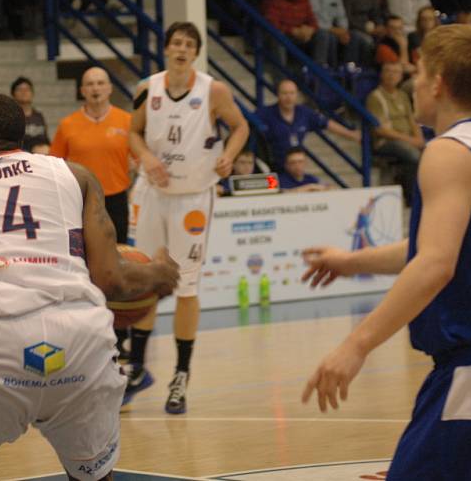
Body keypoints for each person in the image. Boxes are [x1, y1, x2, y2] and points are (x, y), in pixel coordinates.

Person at [301, 23, 471, 480]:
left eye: (419, 70)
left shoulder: (447, 152)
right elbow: (443, 245)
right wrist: (351, 262)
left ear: (439, 81)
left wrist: (356, 344)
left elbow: (435, 262)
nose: (413, 81)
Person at [0, 94, 180, 480]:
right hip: (80, 340)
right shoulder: (76, 176)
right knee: (94, 476)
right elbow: (112, 279)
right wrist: (158, 274)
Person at [126, 21, 250, 414]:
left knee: (187, 286)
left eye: (188, 44)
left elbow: (241, 126)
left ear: (195, 52)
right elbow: (133, 132)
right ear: (165, 49)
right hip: (151, 193)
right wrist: (145, 156)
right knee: (144, 279)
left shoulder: (213, 90)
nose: (181, 49)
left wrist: (229, 153)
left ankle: (180, 374)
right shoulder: (148, 87)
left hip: (193, 198)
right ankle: (137, 367)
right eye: (175, 42)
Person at [51, 67, 132, 244]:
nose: (95, 88)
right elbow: (56, 164)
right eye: (90, 84)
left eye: (100, 83)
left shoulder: (126, 121)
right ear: (82, 91)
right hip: (82, 199)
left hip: (117, 198)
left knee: (121, 252)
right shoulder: (67, 125)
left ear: (110, 88)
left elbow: (139, 158)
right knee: (86, 252)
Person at [256, 78, 360, 169]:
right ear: (278, 95)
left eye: (292, 93)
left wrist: (350, 134)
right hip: (272, 166)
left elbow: (327, 123)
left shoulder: (304, 112)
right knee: (274, 188)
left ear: (297, 95)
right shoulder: (265, 114)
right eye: (284, 93)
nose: (288, 97)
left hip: (295, 167)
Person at [365, 62, 424, 199]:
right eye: (388, 71)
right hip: (386, 142)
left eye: (396, 72)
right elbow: (381, 130)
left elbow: (412, 120)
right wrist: (411, 140)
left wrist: (419, 138)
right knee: (413, 155)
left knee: (433, 151)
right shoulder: (375, 97)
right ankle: (412, 200)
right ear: (382, 75)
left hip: (408, 140)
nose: (392, 75)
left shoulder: (403, 96)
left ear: (401, 76)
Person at [262, 0, 331, 68]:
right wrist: (292, 31)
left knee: (323, 34)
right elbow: (271, 24)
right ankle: (281, 79)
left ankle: (319, 73)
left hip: (299, 36)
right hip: (282, 36)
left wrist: (309, 30)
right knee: (278, 37)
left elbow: (313, 22)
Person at [306, 0, 357, 65]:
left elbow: (341, 16)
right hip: (313, 32)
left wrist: (343, 30)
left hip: (332, 31)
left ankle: (348, 72)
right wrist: (332, 29)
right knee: (326, 36)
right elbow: (311, 20)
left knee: (354, 36)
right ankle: (322, 70)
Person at [10, 76, 48, 149]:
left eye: (27, 89)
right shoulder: (11, 117)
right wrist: (32, 148)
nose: (24, 92)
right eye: (20, 89)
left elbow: (45, 138)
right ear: (13, 94)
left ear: (32, 93)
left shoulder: (39, 116)